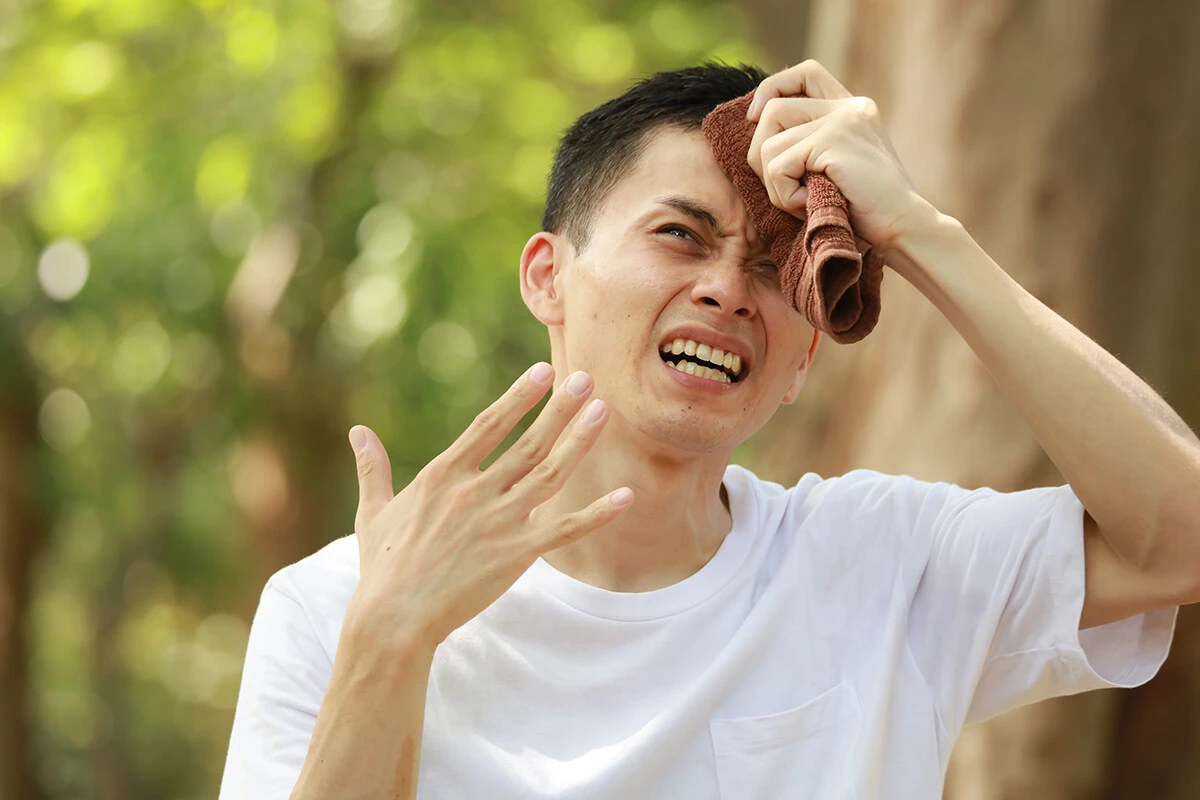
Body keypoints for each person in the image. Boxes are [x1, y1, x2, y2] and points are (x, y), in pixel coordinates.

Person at [218, 61, 1194, 799]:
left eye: (774, 267)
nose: (729, 288)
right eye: (680, 235)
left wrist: (915, 229)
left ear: (804, 355)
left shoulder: (886, 562)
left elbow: (1180, 537)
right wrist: (390, 640)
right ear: (548, 276)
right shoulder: (335, 605)